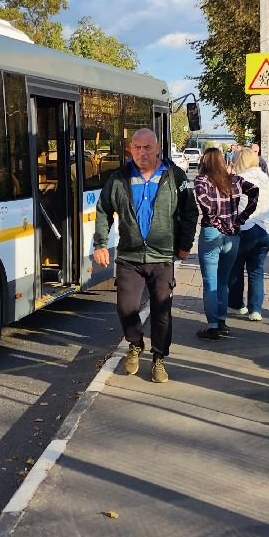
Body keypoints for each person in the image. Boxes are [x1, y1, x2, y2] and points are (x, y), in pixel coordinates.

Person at [93, 128, 198, 384]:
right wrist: (100, 244)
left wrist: (184, 244)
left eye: (147, 147)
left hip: (162, 257)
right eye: (137, 148)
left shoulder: (175, 176)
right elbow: (103, 209)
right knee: (126, 308)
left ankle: (159, 358)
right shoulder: (119, 179)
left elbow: (190, 211)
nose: (142, 152)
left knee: (162, 311)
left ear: (158, 148)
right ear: (130, 149)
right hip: (130, 257)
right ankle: (135, 344)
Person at [192, 147, 259, 342]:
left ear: (205, 161)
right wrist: (240, 218)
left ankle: (213, 326)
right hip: (233, 235)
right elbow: (255, 191)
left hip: (212, 233)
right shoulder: (235, 180)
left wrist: (215, 220)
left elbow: (203, 201)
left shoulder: (202, 180)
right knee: (223, 281)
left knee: (210, 281)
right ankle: (222, 321)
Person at [227, 147, 269, 321]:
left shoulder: (241, 179)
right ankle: (256, 310)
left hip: (246, 229)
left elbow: (238, 206)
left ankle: (237, 305)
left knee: (236, 267)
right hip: (265, 230)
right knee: (256, 270)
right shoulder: (265, 178)